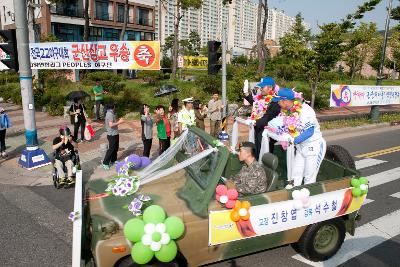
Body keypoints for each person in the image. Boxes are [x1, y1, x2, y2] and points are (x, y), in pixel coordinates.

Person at [273, 88, 326, 187]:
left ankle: (307, 200)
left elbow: (309, 131)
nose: (277, 104)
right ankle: (294, 198)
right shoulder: (289, 110)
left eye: (278, 101)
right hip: (301, 147)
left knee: (309, 178)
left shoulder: (305, 110)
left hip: (313, 146)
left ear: (285, 101)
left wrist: (293, 140)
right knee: (296, 174)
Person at [243, 77, 281, 159]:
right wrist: (246, 93)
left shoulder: (275, 101)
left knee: (264, 155)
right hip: (258, 129)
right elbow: (255, 103)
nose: (260, 89)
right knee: (256, 151)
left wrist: (255, 122)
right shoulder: (261, 98)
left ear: (270, 88)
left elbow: (268, 117)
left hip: (266, 132)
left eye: (262, 87)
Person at [102, 103, 125, 170]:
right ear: (113, 107)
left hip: (115, 133)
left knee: (115, 147)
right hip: (111, 134)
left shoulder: (112, 113)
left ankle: (113, 160)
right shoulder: (109, 114)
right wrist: (120, 122)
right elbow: (111, 125)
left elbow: (113, 122)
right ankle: (105, 163)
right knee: (111, 149)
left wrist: (118, 120)